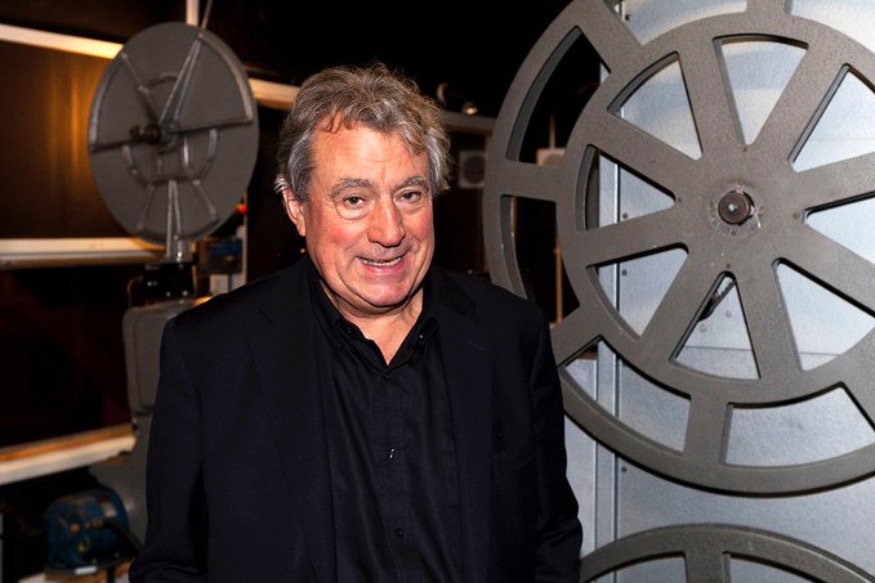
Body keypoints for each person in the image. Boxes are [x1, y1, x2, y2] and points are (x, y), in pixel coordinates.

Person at [129, 62, 582, 582]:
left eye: (409, 195)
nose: (389, 231)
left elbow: (551, 536)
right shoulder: (210, 355)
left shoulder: (510, 336)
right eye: (354, 199)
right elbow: (170, 567)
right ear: (296, 207)